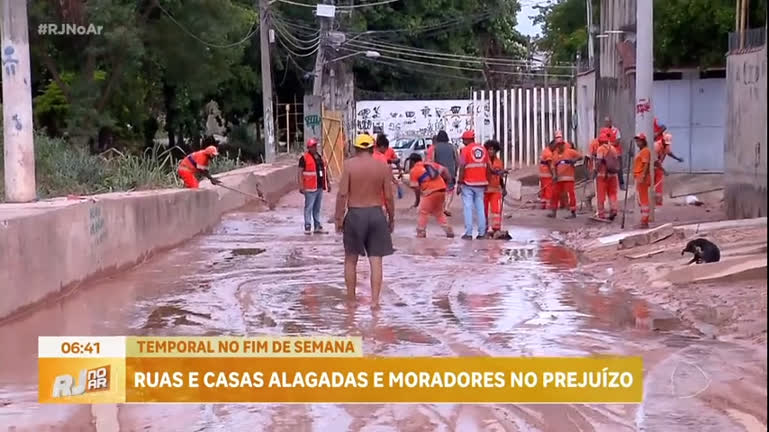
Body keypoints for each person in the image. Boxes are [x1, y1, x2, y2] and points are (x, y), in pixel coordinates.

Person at [335, 134, 395, 309]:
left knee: (351, 260)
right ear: (372, 148)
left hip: (355, 215)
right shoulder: (382, 166)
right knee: (376, 261)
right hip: (376, 214)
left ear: (356, 148)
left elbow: (342, 194)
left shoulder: (349, 166)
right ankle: (375, 302)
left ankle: (352, 301)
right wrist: (391, 218)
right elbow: (389, 197)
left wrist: (338, 218)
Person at [407, 153, 454, 238]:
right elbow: (445, 170)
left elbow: (416, 188)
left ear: (412, 162)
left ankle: (421, 232)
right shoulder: (429, 164)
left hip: (430, 192)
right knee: (439, 213)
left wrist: (417, 201)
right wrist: (446, 183)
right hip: (442, 190)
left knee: (423, 211)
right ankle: (449, 231)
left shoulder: (414, 170)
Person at [456, 129, 490, 239]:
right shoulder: (483, 149)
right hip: (481, 183)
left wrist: (459, 183)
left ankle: (469, 233)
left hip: (468, 183)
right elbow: (488, 166)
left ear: (467, 139)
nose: (463, 141)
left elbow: (462, 167)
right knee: (480, 208)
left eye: (463, 139)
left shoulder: (465, 150)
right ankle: (482, 233)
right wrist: (487, 181)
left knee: (468, 207)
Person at [298, 138, 331, 234]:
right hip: (310, 187)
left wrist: (328, 183)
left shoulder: (319, 157)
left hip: (319, 186)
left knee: (317, 208)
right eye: (313, 146)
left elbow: (324, 171)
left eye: (315, 146)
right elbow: (299, 172)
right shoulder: (304, 158)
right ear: (309, 147)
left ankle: (317, 226)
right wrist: (301, 186)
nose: (315, 148)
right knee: (309, 207)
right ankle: (307, 226)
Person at [547, 138, 583, 219]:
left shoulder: (570, 152)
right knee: (555, 194)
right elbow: (553, 166)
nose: (559, 146)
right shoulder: (555, 154)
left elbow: (580, 156)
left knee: (570, 194)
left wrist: (574, 160)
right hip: (559, 178)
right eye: (558, 145)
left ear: (563, 144)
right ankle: (553, 212)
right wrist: (554, 175)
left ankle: (573, 212)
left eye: (561, 144)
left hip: (569, 178)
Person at [426, 130, 459, 216]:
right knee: (450, 190)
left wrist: (433, 173)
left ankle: (440, 207)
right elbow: (457, 160)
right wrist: (455, 171)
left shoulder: (435, 148)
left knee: (440, 190)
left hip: (439, 172)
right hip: (450, 171)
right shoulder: (453, 147)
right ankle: (447, 207)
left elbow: (432, 160)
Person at [653, 121, 684, 206]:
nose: (667, 145)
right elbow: (655, 162)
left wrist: (677, 158)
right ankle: (648, 202)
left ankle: (658, 201)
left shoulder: (666, 145)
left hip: (658, 167)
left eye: (668, 144)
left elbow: (669, 153)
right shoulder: (656, 146)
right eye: (665, 143)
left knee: (659, 184)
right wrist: (664, 170)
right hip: (651, 167)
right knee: (650, 184)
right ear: (662, 140)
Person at [483, 139, 508, 235]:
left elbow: (500, 177)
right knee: (483, 209)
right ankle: (484, 227)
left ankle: (496, 227)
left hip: (495, 189)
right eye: (489, 149)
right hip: (484, 189)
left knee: (496, 210)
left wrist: (503, 188)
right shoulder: (484, 161)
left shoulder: (499, 162)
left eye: (493, 150)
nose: (491, 151)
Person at [594, 132, 620, 220]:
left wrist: (595, 170)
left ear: (600, 141)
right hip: (613, 175)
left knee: (601, 195)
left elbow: (598, 161)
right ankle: (614, 210)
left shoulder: (600, 149)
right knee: (612, 193)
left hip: (602, 175)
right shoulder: (613, 149)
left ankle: (601, 213)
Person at [600, 116, 624, 190]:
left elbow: (617, 142)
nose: (607, 123)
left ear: (611, 122)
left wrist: (609, 145)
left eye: (608, 121)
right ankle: (607, 185)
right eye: (605, 122)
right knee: (605, 168)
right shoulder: (602, 131)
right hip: (606, 153)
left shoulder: (615, 130)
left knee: (619, 168)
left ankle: (621, 184)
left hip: (616, 152)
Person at [633, 133, 652, 228]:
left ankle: (644, 221)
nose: (637, 142)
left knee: (643, 199)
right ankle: (644, 220)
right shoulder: (642, 151)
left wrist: (643, 176)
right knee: (641, 199)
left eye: (639, 141)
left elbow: (646, 164)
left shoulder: (645, 151)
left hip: (642, 177)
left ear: (643, 141)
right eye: (637, 141)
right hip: (640, 176)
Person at [539, 140, 558, 209]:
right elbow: (550, 165)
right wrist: (554, 175)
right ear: (552, 145)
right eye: (555, 147)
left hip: (542, 174)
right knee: (549, 189)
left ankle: (543, 204)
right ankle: (549, 205)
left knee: (543, 189)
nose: (556, 148)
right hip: (547, 174)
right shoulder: (549, 153)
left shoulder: (545, 150)